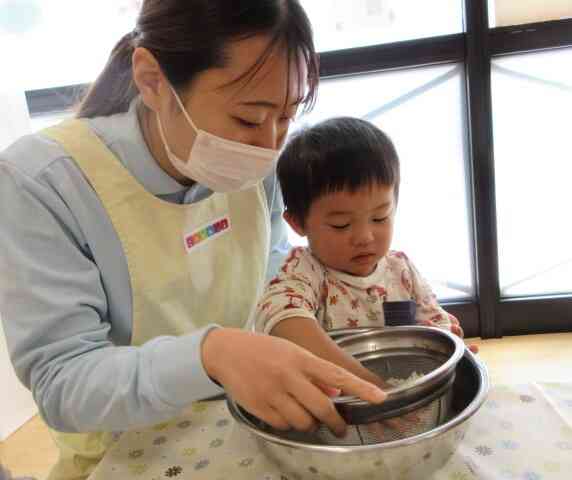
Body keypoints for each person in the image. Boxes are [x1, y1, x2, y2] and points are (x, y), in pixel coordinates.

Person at [0, 2, 386, 479]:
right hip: (124, 459)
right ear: (152, 80)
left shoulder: (254, 165)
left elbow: (272, 279)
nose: (268, 147)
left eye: (286, 118)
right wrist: (212, 355)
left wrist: (346, 360)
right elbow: (62, 385)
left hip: (251, 433)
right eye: (248, 119)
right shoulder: (45, 182)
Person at [254, 116, 474, 386]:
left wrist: (449, 344)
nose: (364, 237)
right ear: (298, 223)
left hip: (405, 392)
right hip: (337, 403)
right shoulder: (306, 270)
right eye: (341, 224)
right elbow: (279, 315)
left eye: (380, 217)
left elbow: (434, 320)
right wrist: (365, 383)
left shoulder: (400, 269)